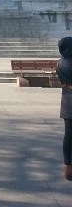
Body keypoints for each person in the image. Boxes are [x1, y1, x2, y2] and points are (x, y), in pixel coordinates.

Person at [56, 37, 72, 180]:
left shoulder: (60, 63)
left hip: (67, 99)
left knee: (68, 135)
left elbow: (62, 81)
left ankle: (68, 166)